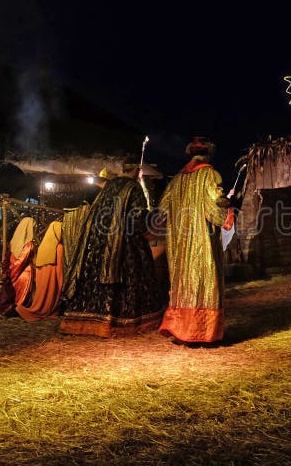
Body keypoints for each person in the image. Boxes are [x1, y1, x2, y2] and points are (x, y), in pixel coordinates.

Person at [60, 165, 166, 337]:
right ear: (136, 172)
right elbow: (137, 217)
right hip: (124, 243)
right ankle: (121, 323)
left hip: (97, 241)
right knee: (130, 274)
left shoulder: (108, 187)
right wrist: (152, 219)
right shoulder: (134, 187)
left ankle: (88, 320)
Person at [158, 137, 234, 344]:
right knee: (203, 278)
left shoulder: (176, 180)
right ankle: (202, 332)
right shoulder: (209, 174)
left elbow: (163, 208)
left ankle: (182, 329)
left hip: (179, 242)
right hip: (201, 238)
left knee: (183, 281)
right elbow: (215, 203)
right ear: (208, 154)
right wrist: (227, 204)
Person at [17, 221, 64, 322]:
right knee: (49, 302)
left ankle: (29, 310)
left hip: (42, 280)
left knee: (40, 300)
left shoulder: (42, 247)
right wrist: (62, 285)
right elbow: (60, 270)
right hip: (52, 281)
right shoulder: (59, 248)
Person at [0, 217, 35, 315]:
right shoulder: (29, 245)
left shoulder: (13, 242)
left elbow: (9, 260)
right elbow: (21, 261)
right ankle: (16, 310)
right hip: (24, 275)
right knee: (19, 298)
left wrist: (10, 274)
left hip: (12, 272)